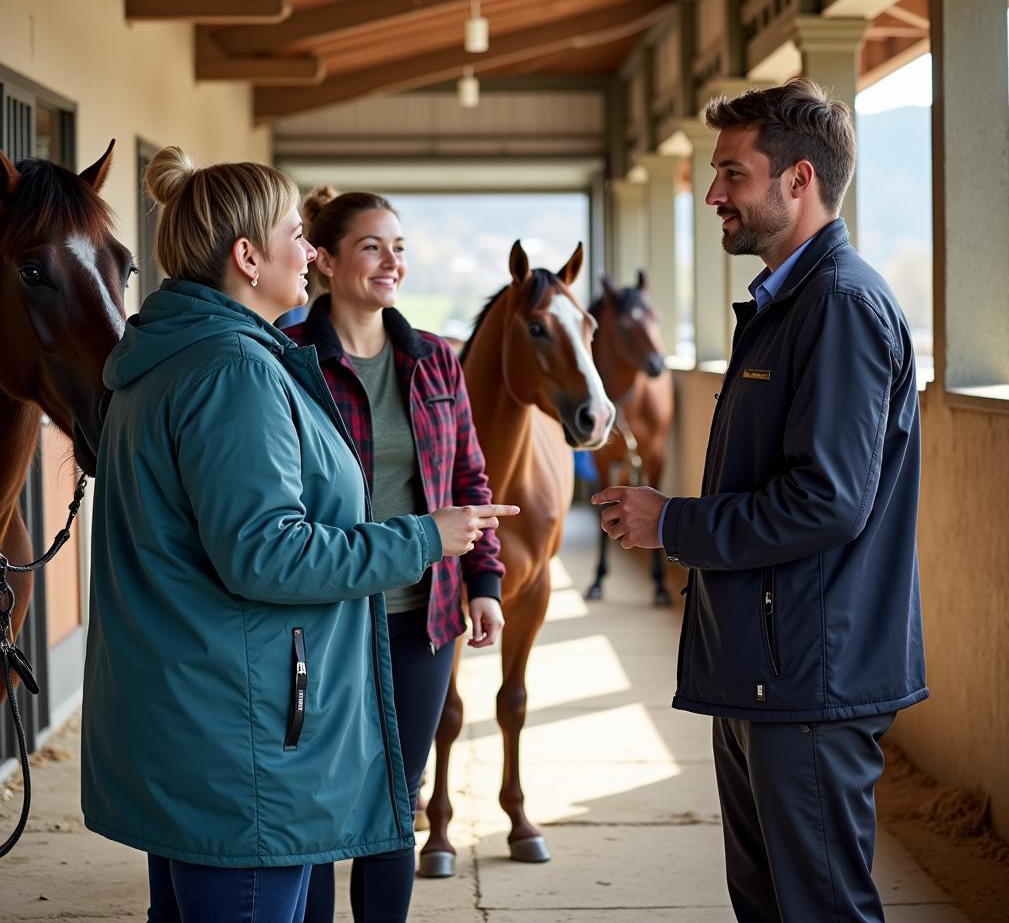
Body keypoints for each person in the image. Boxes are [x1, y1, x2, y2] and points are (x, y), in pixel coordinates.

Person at [80, 147, 518, 923]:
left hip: (190, 719)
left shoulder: (163, 358)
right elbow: (267, 552)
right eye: (297, 233)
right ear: (248, 257)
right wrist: (423, 538)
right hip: (237, 737)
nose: (309, 250)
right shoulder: (232, 372)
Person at [592, 78, 926, 923]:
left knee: (818, 908)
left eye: (732, 175)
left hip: (809, 674)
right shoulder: (786, 306)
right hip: (765, 668)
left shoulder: (840, 307)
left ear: (798, 181)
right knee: (769, 905)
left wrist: (673, 523)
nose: (712, 195)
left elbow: (827, 502)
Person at [283, 188, 505, 923]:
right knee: (315, 803)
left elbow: (468, 479)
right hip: (325, 619)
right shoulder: (288, 364)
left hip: (424, 618)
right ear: (325, 258)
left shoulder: (436, 361)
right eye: (373, 246)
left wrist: (485, 581)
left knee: (393, 803)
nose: (392, 262)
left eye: (400, 247)